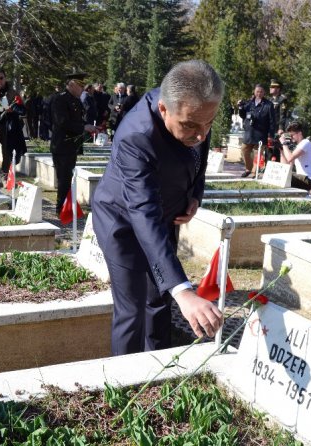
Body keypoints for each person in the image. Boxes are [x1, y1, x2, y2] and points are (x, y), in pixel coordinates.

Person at [92, 60, 225, 356]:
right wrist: (185, 291)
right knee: (133, 307)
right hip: (123, 220)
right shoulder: (135, 136)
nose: (202, 134)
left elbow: (199, 155)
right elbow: (143, 212)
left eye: (209, 122)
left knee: (159, 299)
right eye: (190, 125)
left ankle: (155, 362)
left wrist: (194, 194)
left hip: (166, 213)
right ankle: (124, 383)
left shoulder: (195, 109)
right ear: (164, 109)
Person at [50, 73, 98, 214]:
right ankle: (61, 209)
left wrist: (88, 126)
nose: (82, 89)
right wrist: (83, 127)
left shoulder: (76, 100)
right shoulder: (60, 99)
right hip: (62, 145)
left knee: (68, 177)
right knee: (63, 178)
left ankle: (66, 206)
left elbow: (77, 120)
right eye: (80, 86)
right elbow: (62, 121)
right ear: (71, 85)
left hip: (71, 145)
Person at [237, 83, 277, 177]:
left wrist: (271, 135)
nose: (259, 93)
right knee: (244, 150)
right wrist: (240, 107)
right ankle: (248, 169)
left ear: (264, 93)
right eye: (257, 91)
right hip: (249, 132)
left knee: (257, 153)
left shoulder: (268, 105)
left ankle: (254, 173)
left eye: (261, 92)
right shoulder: (249, 103)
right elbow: (243, 115)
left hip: (261, 133)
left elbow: (272, 121)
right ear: (254, 92)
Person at [278, 121, 311, 191]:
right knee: (280, 175)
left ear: (300, 133)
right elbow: (286, 166)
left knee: (285, 177)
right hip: (302, 179)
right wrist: (281, 150)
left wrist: (284, 143)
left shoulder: (305, 143)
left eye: (292, 135)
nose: (291, 138)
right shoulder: (297, 147)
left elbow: (289, 158)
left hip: (308, 180)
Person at [268, 79, 288, 161]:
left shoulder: (282, 99)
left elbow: (282, 114)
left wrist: (280, 128)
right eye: (271, 87)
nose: (271, 88)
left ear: (278, 89)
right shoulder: (269, 100)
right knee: (268, 149)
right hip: (269, 128)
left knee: (276, 149)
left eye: (273, 87)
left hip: (276, 128)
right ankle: (267, 167)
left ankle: (276, 168)